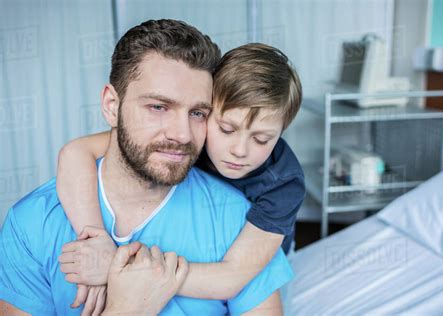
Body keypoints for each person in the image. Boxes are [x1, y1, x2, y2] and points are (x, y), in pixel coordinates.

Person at [0, 19, 293, 315]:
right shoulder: (31, 223)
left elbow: (234, 277)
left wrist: (124, 269)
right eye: (158, 107)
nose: (182, 134)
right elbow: (75, 151)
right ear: (112, 106)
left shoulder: (239, 217)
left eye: (197, 112)